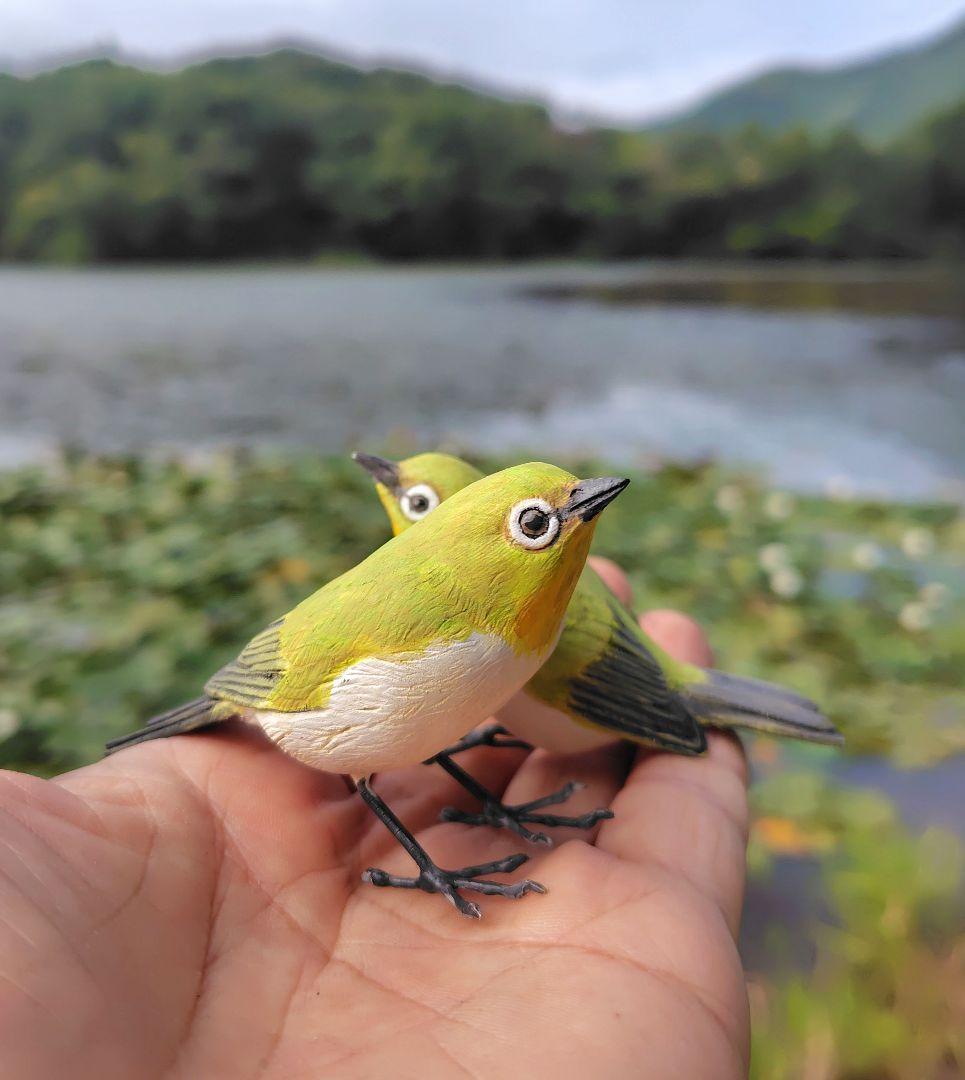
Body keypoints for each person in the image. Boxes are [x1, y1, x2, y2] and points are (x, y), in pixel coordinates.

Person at [0, 559, 749, 1079]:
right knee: (380, 780)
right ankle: (426, 864)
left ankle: (456, 821)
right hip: (287, 701)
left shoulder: (491, 629)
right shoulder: (409, 629)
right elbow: (311, 690)